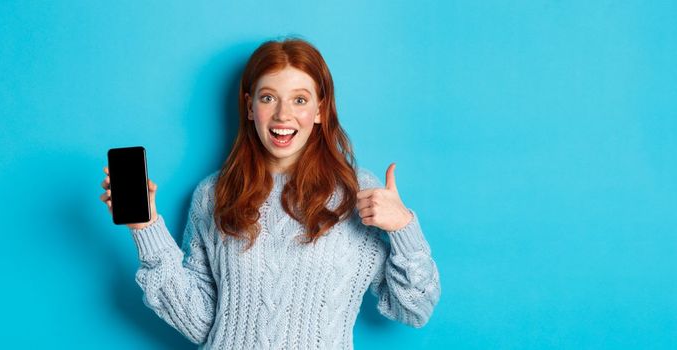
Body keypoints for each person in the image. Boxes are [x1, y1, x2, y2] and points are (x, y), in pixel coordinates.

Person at [100, 38, 440, 349]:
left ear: (320, 109)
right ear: (250, 107)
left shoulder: (358, 193)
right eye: (268, 98)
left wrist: (403, 228)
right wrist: (146, 230)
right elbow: (202, 323)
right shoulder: (213, 194)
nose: (282, 115)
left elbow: (415, 310)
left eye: (299, 100)